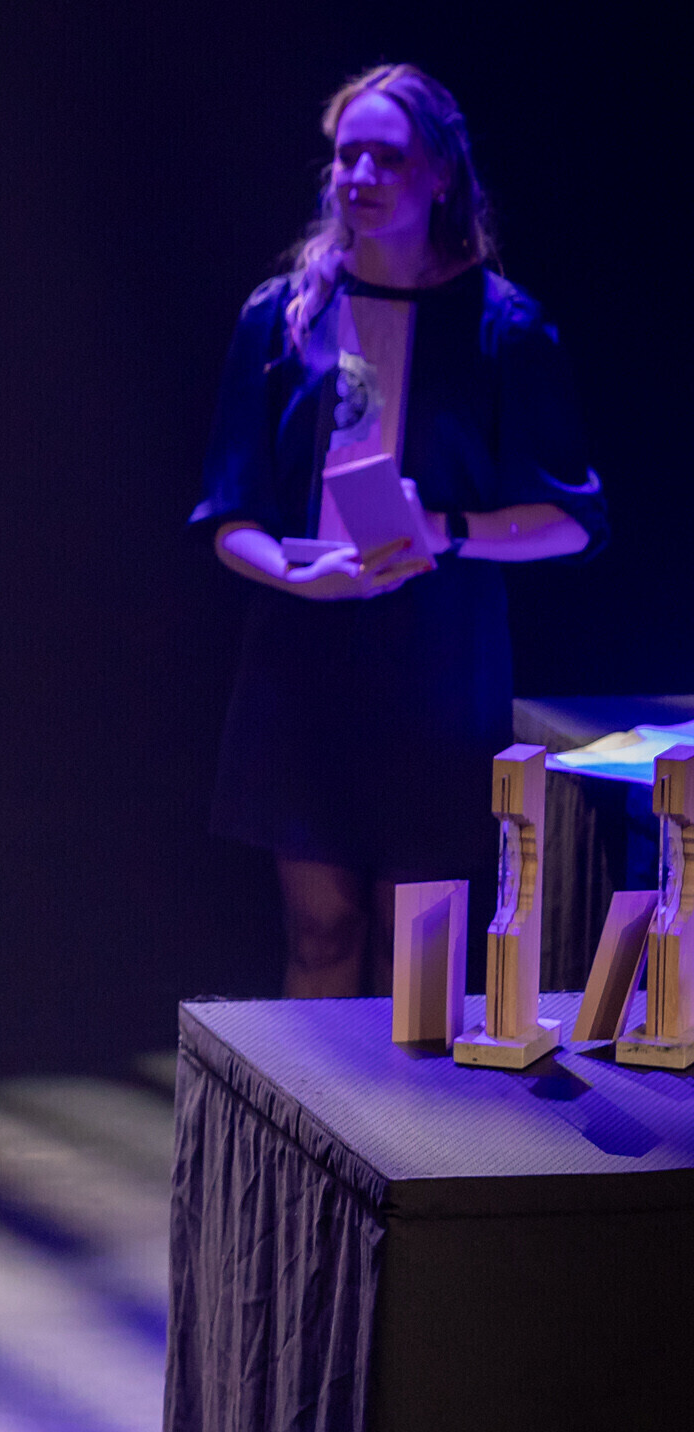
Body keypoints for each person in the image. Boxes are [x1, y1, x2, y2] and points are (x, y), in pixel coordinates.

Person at [194, 63, 604, 996]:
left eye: (389, 157)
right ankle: (310, 1100)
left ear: (441, 174)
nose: (362, 176)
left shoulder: (505, 328)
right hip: (304, 664)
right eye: (349, 156)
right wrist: (298, 576)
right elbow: (230, 514)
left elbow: (572, 523)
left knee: (413, 951)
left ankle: (399, 1100)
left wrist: (446, 527)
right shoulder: (281, 317)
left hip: (438, 669)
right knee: (321, 932)